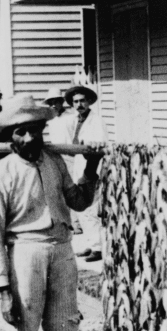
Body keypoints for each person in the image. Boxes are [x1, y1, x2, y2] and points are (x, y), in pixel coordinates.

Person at [0, 94, 103, 331]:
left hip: (62, 250)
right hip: (26, 253)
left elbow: (79, 202)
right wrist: (4, 290)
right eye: (21, 132)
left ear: (42, 131)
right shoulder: (1, 173)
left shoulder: (54, 162)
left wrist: (91, 166)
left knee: (65, 325)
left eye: (34, 131)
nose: (29, 138)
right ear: (10, 136)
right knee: (23, 328)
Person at [65, 85, 109, 262]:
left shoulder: (96, 120)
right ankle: (91, 243)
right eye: (75, 102)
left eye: (82, 101)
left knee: (90, 207)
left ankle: (98, 248)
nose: (79, 104)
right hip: (79, 164)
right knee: (81, 206)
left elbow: (98, 143)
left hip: (92, 166)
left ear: (89, 102)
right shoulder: (75, 120)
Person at [43, 87, 82, 234]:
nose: (53, 105)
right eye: (50, 103)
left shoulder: (71, 116)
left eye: (56, 102)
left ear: (61, 102)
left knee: (73, 188)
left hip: (71, 155)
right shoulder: (51, 119)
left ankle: (77, 223)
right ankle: (67, 221)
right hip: (56, 156)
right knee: (59, 189)